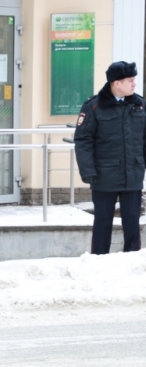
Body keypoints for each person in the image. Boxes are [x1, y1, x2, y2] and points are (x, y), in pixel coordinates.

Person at [73, 60, 146, 254]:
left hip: (133, 176)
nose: (134, 84)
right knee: (103, 221)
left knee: (132, 222)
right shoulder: (94, 107)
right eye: (130, 80)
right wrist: (88, 171)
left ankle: (131, 260)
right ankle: (98, 260)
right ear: (117, 83)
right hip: (104, 176)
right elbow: (83, 141)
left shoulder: (140, 105)